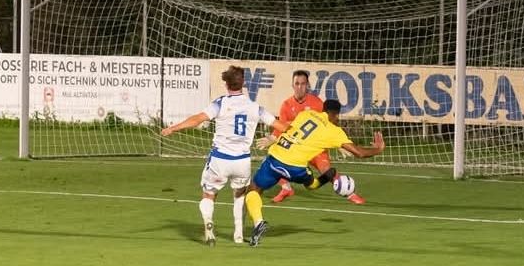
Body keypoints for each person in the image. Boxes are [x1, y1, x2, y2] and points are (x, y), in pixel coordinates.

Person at [161, 65, 289, 245]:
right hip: (242, 161)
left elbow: (198, 118)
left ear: (227, 85)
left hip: (220, 159)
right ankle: (237, 235)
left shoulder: (221, 103)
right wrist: (277, 139)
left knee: (209, 195)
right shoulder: (255, 107)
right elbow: (281, 127)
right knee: (240, 195)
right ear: (243, 83)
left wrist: (173, 128)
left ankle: (209, 227)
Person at [245, 99, 386, 247]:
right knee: (311, 184)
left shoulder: (306, 114)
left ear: (323, 109)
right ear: (336, 115)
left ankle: (258, 222)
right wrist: (378, 149)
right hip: (296, 166)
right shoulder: (334, 131)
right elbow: (359, 153)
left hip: (276, 157)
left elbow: (289, 128)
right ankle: (326, 177)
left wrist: (273, 139)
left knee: (254, 189)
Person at [262, 70, 366, 205]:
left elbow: (330, 124)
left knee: (326, 170)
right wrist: (273, 138)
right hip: (295, 147)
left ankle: (350, 194)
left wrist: (339, 144)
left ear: (308, 85)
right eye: (297, 84)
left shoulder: (317, 103)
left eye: (303, 84)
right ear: (292, 85)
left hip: (315, 147)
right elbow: (281, 127)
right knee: (275, 158)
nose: (300, 87)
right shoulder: (286, 105)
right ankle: (286, 188)